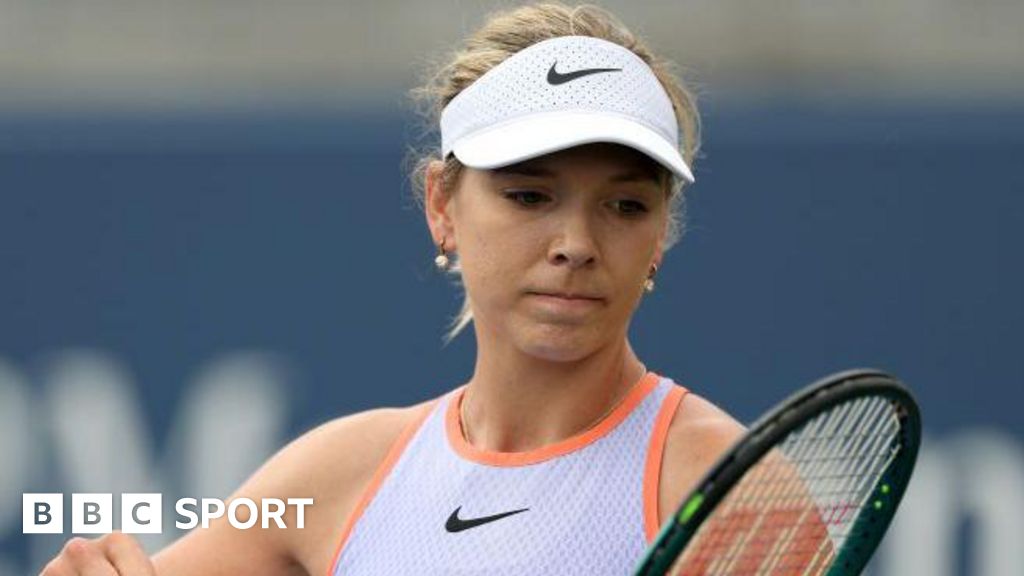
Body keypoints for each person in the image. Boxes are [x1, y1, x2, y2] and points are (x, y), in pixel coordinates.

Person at [39, 3, 744, 575]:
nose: (577, 245)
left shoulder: (724, 482)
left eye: (626, 206)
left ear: (661, 234)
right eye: (529, 196)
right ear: (443, 206)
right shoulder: (336, 473)